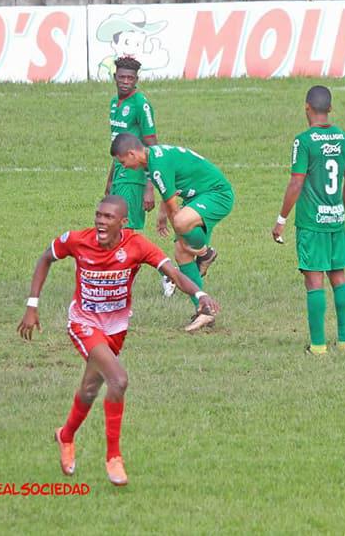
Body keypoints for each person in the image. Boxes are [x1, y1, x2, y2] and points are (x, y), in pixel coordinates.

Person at [17, 196, 219, 486]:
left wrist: (199, 296)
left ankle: (66, 435)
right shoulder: (76, 240)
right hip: (84, 323)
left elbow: (173, 273)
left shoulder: (137, 245)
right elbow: (45, 258)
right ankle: (113, 457)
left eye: (108, 217)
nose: (100, 221)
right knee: (118, 380)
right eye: (98, 215)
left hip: (116, 328)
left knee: (89, 388)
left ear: (123, 223)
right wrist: (32, 305)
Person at [111, 134, 234, 332]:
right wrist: (162, 216)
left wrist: (178, 229)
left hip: (216, 193)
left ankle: (204, 253)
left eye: (123, 162)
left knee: (180, 223)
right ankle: (204, 311)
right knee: (181, 253)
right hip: (197, 197)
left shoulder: (157, 164)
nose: (123, 166)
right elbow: (171, 190)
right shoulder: (152, 160)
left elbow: (173, 208)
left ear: (132, 153)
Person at [272, 85, 345, 355]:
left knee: (314, 281)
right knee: (339, 276)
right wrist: (340, 206)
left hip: (311, 222)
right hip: (336, 220)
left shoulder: (304, 141)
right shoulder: (343, 138)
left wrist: (281, 218)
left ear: (306, 107)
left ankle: (318, 346)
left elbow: (297, 181)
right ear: (330, 108)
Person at [104, 55, 176, 298]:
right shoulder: (115, 102)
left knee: (127, 233)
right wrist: (110, 180)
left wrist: (149, 185)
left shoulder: (141, 104)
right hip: (120, 176)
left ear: (137, 80)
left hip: (135, 177)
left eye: (130, 78)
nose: (126, 81)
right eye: (122, 77)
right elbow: (117, 147)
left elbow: (152, 145)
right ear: (115, 77)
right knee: (121, 231)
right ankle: (128, 279)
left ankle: (162, 272)